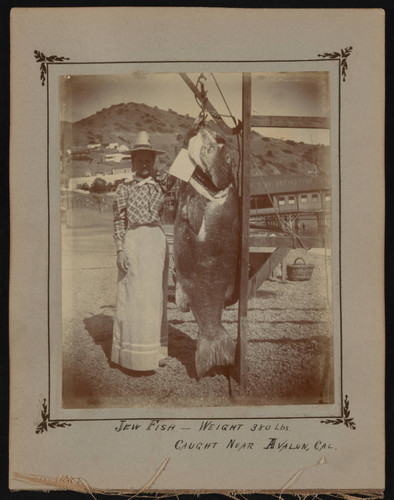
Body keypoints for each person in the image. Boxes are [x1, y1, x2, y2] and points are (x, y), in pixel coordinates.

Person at [111, 131, 174, 372]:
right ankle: (130, 355)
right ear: (133, 162)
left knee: (154, 297)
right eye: (140, 160)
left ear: (154, 161)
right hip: (133, 241)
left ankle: (154, 352)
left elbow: (182, 174)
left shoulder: (162, 184)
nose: (145, 164)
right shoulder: (124, 188)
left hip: (156, 241)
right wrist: (120, 251)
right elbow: (118, 221)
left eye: (149, 159)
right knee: (133, 297)